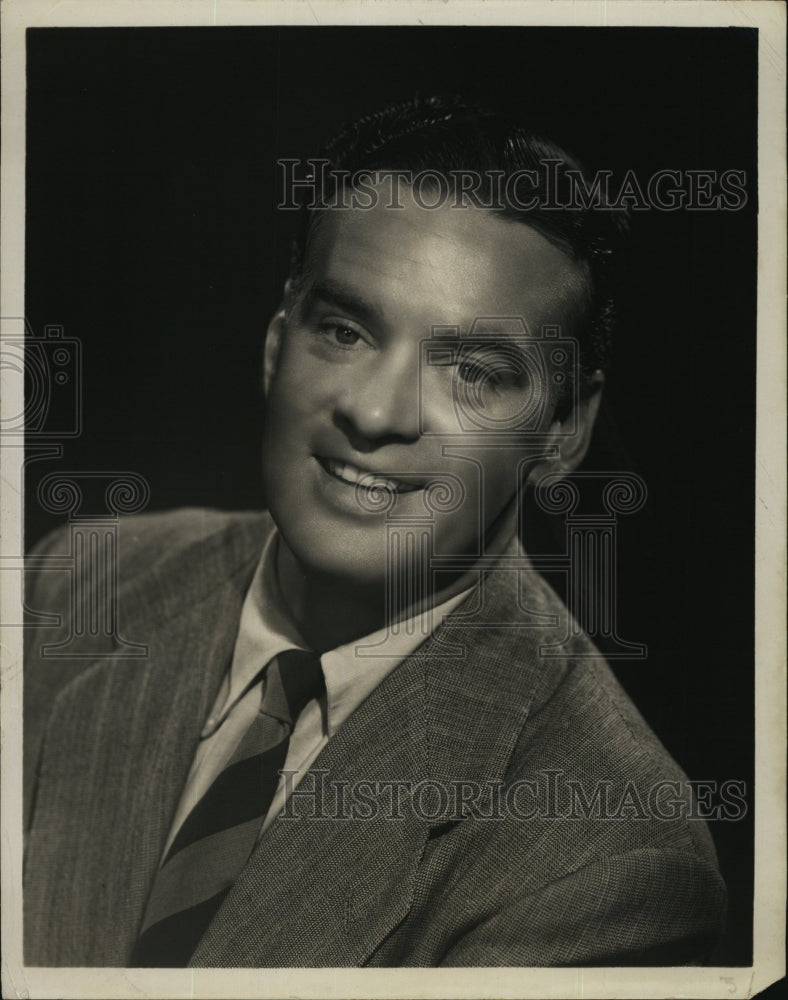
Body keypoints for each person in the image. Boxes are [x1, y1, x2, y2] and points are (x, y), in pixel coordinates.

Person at [23, 96, 726, 967]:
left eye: (472, 370)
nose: (376, 411)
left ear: (563, 431)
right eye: (346, 331)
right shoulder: (77, 584)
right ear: (279, 344)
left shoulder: (612, 862)